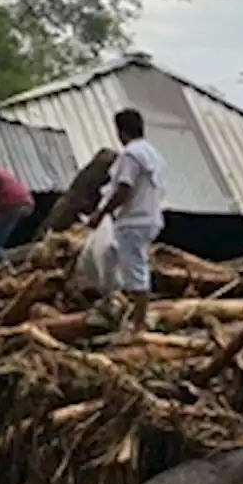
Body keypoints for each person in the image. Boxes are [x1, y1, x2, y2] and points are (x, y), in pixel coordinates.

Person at [88, 109, 166, 334]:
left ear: (121, 132)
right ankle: (113, 303)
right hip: (150, 217)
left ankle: (138, 325)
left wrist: (101, 213)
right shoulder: (153, 154)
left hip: (134, 220)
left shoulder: (130, 154)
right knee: (115, 258)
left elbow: (124, 188)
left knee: (135, 270)